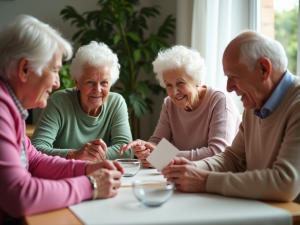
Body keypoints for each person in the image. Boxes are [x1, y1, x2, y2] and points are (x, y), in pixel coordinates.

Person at [0, 15, 124, 224]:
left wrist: (86, 168)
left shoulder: (13, 109)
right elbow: (19, 196)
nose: (57, 82)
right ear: (24, 69)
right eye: (55, 70)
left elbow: (34, 160)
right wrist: (91, 185)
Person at [161, 30, 300, 202]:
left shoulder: (295, 104)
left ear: (264, 69)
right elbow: (234, 158)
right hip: (260, 207)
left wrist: (203, 180)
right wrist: (193, 167)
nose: (228, 87)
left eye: (233, 76)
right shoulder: (255, 103)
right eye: (168, 85)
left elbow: (285, 183)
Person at [119, 45, 241, 167]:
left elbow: (218, 152)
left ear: (197, 80)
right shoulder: (169, 104)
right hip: (183, 174)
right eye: (168, 85)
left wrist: (162, 157)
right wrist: (146, 151)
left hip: (217, 176)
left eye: (180, 83)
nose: (174, 92)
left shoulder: (219, 101)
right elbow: (157, 143)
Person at [31, 41, 133, 161]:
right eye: (90, 82)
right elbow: (36, 148)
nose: (98, 89)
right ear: (77, 82)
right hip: (64, 174)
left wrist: (88, 155)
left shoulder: (116, 103)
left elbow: (126, 152)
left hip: (100, 174)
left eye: (104, 82)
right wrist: (74, 154)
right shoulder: (58, 102)